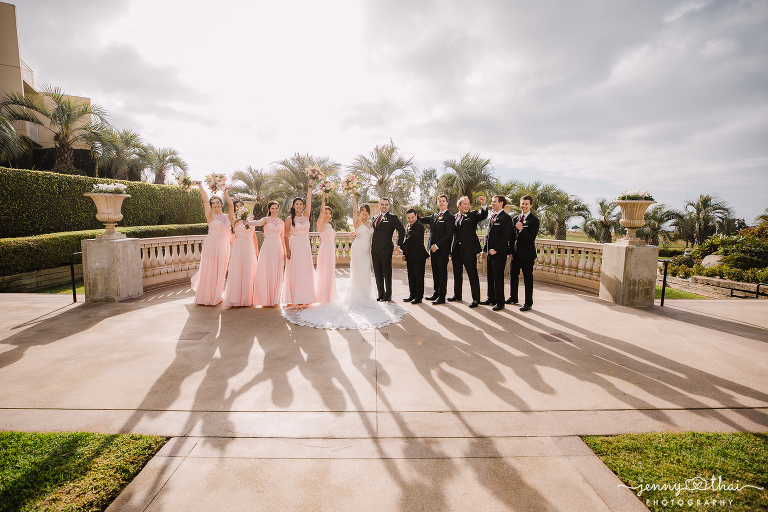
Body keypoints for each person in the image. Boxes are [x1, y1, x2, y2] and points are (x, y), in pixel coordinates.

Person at [282, 192, 408, 330]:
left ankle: (380, 296)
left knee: (367, 274)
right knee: (362, 274)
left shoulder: (373, 221)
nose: (364, 213)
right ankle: (366, 297)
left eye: (366, 211)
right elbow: (354, 211)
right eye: (362, 211)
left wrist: (397, 246)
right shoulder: (358, 221)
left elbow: (382, 233)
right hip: (358, 250)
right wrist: (353, 196)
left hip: (370, 252)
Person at [190, 182, 232, 305]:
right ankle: (206, 296)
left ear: (221, 203)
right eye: (213, 203)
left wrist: (224, 190)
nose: (215, 204)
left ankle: (217, 296)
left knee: (221, 270)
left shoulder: (227, 216)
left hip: (224, 246)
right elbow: (204, 201)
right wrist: (199, 186)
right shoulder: (210, 215)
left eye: (217, 202)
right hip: (212, 245)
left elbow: (231, 204)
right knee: (210, 269)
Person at [449, 195, 487, 308]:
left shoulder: (473, 215)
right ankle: (457, 295)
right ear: (459, 205)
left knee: (472, 274)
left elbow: (483, 215)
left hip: (469, 250)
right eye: (465, 204)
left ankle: (476, 299)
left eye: (468, 204)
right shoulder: (454, 217)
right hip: (456, 249)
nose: (467, 206)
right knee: (457, 273)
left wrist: (484, 205)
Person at [416, 194, 455, 305]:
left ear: (447, 203)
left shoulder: (450, 217)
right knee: (435, 272)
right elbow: (421, 219)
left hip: (442, 250)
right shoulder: (434, 216)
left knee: (442, 273)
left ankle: (442, 296)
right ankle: (436, 293)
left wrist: (437, 245)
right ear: (437, 203)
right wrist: (411, 210)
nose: (441, 203)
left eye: (443, 201)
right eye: (439, 201)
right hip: (432, 250)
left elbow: (449, 235)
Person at [282, 182, 316, 306]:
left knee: (305, 270)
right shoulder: (289, 219)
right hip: (295, 245)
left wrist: (310, 187)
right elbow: (285, 235)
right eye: (297, 204)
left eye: (301, 204)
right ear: (293, 206)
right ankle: (295, 297)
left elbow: (309, 202)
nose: (299, 206)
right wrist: (287, 250)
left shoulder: (306, 215)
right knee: (296, 270)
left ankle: (306, 296)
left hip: (305, 245)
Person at [222, 199, 259, 307]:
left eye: (241, 205)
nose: (239, 207)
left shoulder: (250, 220)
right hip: (239, 247)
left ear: (244, 207)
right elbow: (232, 237)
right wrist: (236, 250)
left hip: (249, 247)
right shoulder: (233, 220)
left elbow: (254, 235)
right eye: (236, 206)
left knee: (249, 270)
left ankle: (248, 297)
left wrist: (256, 249)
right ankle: (236, 298)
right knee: (238, 270)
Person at [480, 195, 513, 311]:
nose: (492, 203)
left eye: (494, 202)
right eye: (492, 202)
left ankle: (500, 302)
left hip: (499, 254)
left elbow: (506, 237)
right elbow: (488, 236)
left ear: (501, 203)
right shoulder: (492, 217)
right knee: (490, 276)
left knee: (498, 278)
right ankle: (491, 298)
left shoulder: (506, 218)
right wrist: (484, 250)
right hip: (489, 253)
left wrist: (496, 249)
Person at [508, 195, 540, 311]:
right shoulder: (515, 218)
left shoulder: (534, 220)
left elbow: (531, 238)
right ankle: (513, 297)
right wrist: (510, 251)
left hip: (527, 254)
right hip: (515, 254)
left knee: (527, 278)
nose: (524, 206)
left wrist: (522, 229)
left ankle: (528, 303)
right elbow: (511, 237)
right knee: (513, 276)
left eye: (526, 204)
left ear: (531, 205)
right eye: (522, 203)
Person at [371, 197, 405, 302]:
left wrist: (398, 245)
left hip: (386, 250)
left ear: (389, 206)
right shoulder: (375, 217)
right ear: (379, 205)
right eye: (382, 204)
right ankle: (381, 294)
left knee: (387, 273)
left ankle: (388, 295)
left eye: (386, 204)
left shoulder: (392, 217)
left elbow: (402, 230)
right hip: (375, 250)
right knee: (377, 273)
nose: (384, 206)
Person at [253, 200, 285, 307]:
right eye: (273, 208)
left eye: (276, 208)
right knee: (266, 270)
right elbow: (256, 223)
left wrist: (284, 250)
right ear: (269, 209)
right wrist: (245, 220)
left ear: (278, 209)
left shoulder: (281, 222)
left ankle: (274, 297)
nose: (275, 210)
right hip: (267, 246)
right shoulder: (266, 220)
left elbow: (282, 237)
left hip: (278, 247)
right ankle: (265, 298)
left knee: (276, 270)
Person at [400, 208, 430, 305]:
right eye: (409, 218)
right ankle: (412, 295)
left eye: (412, 217)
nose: (411, 219)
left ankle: (419, 297)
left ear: (416, 216)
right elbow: (406, 239)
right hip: (410, 256)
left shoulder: (419, 226)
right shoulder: (407, 225)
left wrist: (400, 249)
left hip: (419, 256)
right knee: (411, 276)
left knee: (418, 277)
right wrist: (404, 254)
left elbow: (410, 240)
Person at [314, 192, 338, 302]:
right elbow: (321, 211)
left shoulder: (330, 225)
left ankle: (328, 294)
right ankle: (322, 295)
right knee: (324, 272)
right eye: (326, 213)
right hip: (324, 250)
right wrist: (324, 199)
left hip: (331, 250)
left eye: (329, 213)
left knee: (330, 272)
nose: (327, 215)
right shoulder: (321, 224)